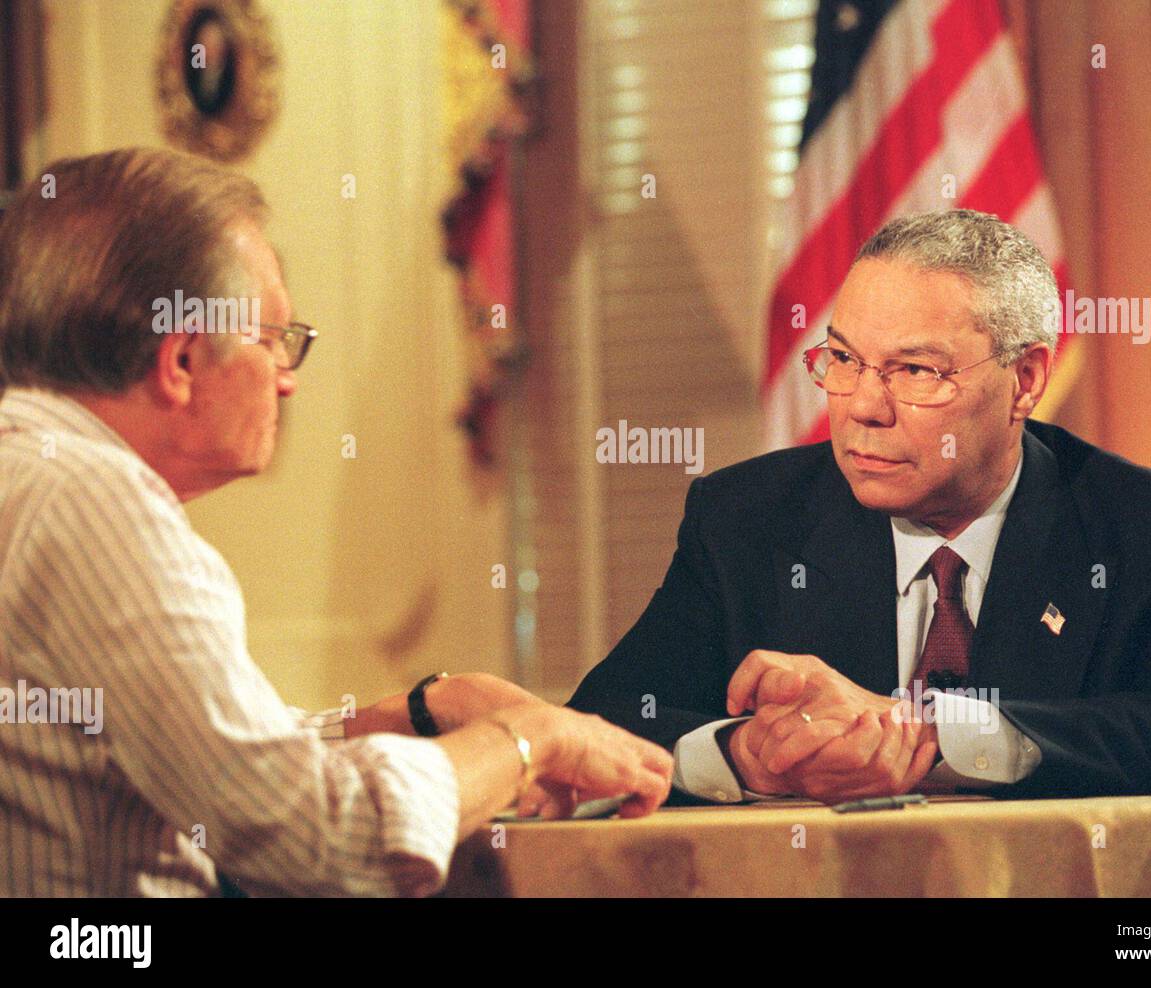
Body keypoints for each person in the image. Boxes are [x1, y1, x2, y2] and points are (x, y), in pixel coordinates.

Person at [0, 147, 672, 897]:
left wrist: (410, 714)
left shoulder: (36, 474)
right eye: (273, 340)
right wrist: (529, 742)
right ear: (182, 359)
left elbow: (219, 754)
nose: (288, 381)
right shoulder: (94, 506)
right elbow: (317, 837)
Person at [567, 209, 1151, 807]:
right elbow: (601, 724)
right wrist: (748, 756)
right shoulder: (746, 520)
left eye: (916, 371)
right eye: (842, 359)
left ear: (1025, 381)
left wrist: (932, 735)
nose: (863, 407)